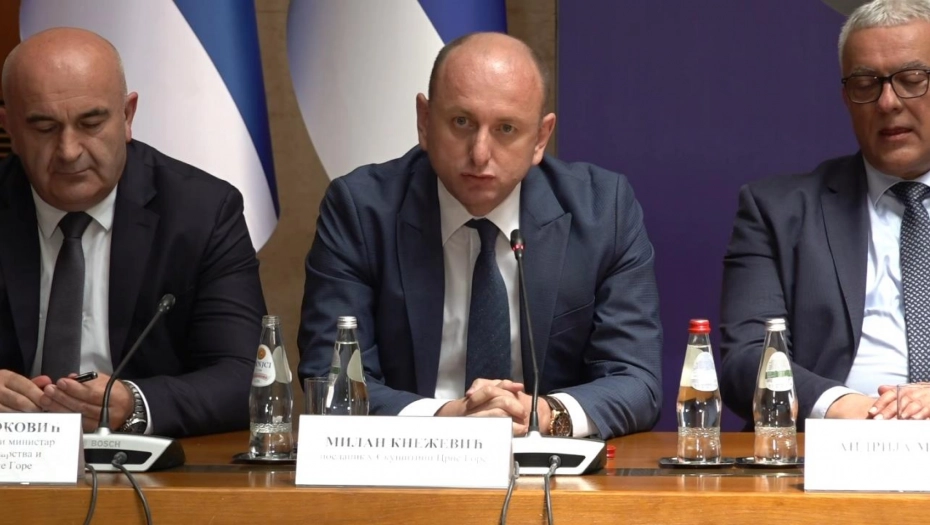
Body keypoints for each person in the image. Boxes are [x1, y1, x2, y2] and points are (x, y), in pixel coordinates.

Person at [298, 32, 662, 439]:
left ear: (540, 138)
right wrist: (447, 421)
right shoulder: (361, 211)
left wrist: (543, 414)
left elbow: (636, 378)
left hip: (546, 460)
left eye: (506, 128)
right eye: (461, 122)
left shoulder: (603, 211)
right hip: (409, 459)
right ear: (424, 121)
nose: (480, 153)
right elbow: (333, 379)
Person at [0, 28, 266, 437]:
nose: (69, 150)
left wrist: (134, 404)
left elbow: (244, 375)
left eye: (91, 123)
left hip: (150, 464)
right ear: (10, 128)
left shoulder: (201, 211)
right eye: (44, 128)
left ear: (127, 116)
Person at [721, 0, 930, 427]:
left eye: (912, 80)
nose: (888, 102)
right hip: (834, 440)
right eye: (865, 84)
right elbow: (746, 358)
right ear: (846, 98)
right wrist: (844, 406)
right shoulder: (776, 211)